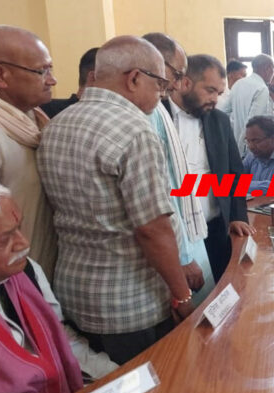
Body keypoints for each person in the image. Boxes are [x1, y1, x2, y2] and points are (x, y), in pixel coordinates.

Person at [37, 36, 196, 365]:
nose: (162, 94)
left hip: (74, 291)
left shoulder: (58, 124)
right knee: (150, 387)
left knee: (103, 385)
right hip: (131, 304)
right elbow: (152, 229)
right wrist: (182, 295)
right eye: (159, 84)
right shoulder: (135, 131)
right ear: (134, 78)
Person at [0, 177, 117, 393]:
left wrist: (114, 377)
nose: (23, 244)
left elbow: (62, 338)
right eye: (4, 240)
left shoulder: (27, 271)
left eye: (19, 228)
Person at [0, 25, 58, 281]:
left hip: (35, 271)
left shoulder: (29, 115)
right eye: (42, 71)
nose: (52, 80)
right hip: (7, 281)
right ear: (1, 75)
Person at [166, 54, 255, 283]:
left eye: (219, 92)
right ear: (186, 83)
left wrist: (237, 216)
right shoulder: (159, 116)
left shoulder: (219, 121)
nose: (215, 99)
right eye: (210, 90)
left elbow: (235, 173)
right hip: (175, 235)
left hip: (215, 229)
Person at [142, 32, 214, 307]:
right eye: (177, 74)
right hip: (175, 245)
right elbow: (161, 196)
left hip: (192, 229)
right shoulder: (147, 114)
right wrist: (183, 257)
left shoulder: (155, 110)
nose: (177, 83)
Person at [219, 54, 274, 155]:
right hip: (252, 148)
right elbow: (252, 123)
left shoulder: (238, 84)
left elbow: (222, 112)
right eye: (273, 69)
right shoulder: (261, 89)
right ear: (267, 68)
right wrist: (242, 148)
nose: (273, 73)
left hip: (236, 145)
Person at [40, 47, 98, 118]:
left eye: (50, 69)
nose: (53, 81)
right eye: (42, 71)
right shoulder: (41, 112)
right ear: (93, 78)